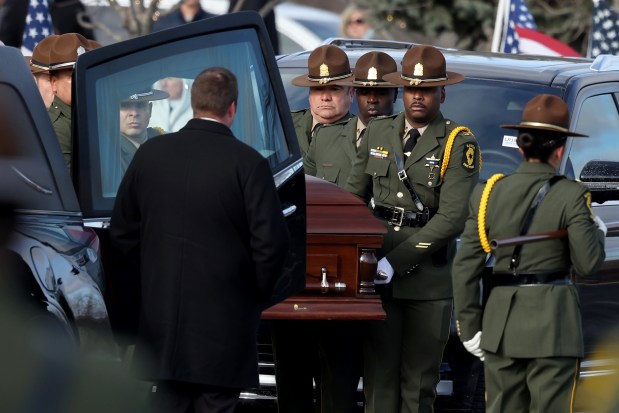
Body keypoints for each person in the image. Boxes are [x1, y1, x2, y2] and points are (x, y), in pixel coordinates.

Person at [109, 66, 290, 413]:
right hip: (223, 333)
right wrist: (252, 298)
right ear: (233, 108)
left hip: (159, 328)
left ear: (193, 104)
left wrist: (136, 302)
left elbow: (122, 237)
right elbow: (271, 246)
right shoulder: (249, 164)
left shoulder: (150, 155)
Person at [345, 44, 480, 413]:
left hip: (427, 280)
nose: (417, 96)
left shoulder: (458, 142)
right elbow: (354, 197)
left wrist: (395, 261)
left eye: (426, 89)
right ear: (402, 89)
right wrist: (362, 255)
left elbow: (452, 218)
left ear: (442, 92)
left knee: (418, 387)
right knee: (378, 383)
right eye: (411, 88)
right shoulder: (379, 131)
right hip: (376, 271)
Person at [452, 94, 606, 413]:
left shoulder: (488, 192)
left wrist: (469, 327)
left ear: (521, 148)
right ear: (560, 149)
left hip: (501, 324)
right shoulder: (572, 195)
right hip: (555, 323)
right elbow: (588, 263)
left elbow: (465, 267)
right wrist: (597, 233)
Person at [304, 50, 398, 187]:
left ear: (394, 95)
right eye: (365, 92)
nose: (372, 99)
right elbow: (304, 191)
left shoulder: (408, 138)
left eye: (381, 92)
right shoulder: (324, 138)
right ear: (356, 93)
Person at [30, 32, 101, 172]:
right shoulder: (56, 128)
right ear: (54, 83)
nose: (80, 81)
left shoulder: (89, 116)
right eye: (72, 76)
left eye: (86, 74)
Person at [290, 44, 355, 157]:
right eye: (318, 89)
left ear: (351, 93)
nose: (325, 97)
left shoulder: (363, 134)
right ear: (309, 94)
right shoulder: (285, 125)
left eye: (334, 89)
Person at [119, 88, 168, 174]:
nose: (134, 113)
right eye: (125, 105)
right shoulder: (108, 153)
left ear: (150, 110)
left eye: (140, 105)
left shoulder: (165, 142)